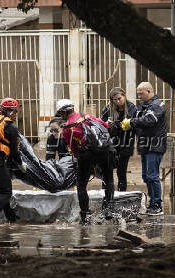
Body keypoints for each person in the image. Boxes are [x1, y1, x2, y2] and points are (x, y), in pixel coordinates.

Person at [57, 99, 115, 225]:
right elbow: (104, 125)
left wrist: (84, 162)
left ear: (62, 113)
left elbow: (73, 149)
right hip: (106, 150)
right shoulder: (86, 115)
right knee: (109, 179)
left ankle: (85, 217)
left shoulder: (67, 128)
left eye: (60, 114)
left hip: (87, 154)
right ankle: (109, 210)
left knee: (81, 185)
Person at [121, 82, 167, 216]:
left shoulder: (158, 105)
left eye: (141, 93)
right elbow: (138, 120)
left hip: (155, 145)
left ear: (149, 91)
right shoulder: (144, 106)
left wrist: (131, 122)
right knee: (146, 176)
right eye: (138, 93)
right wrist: (127, 123)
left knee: (153, 176)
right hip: (145, 146)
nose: (139, 96)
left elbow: (149, 120)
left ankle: (157, 205)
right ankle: (152, 203)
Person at [101, 87, 137, 191]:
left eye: (119, 98)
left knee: (121, 171)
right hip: (111, 142)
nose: (117, 101)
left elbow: (136, 124)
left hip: (126, 142)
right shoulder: (108, 109)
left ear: (124, 96)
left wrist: (128, 125)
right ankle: (107, 193)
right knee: (107, 169)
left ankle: (122, 193)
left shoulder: (132, 108)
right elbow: (101, 124)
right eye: (114, 100)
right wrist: (107, 124)